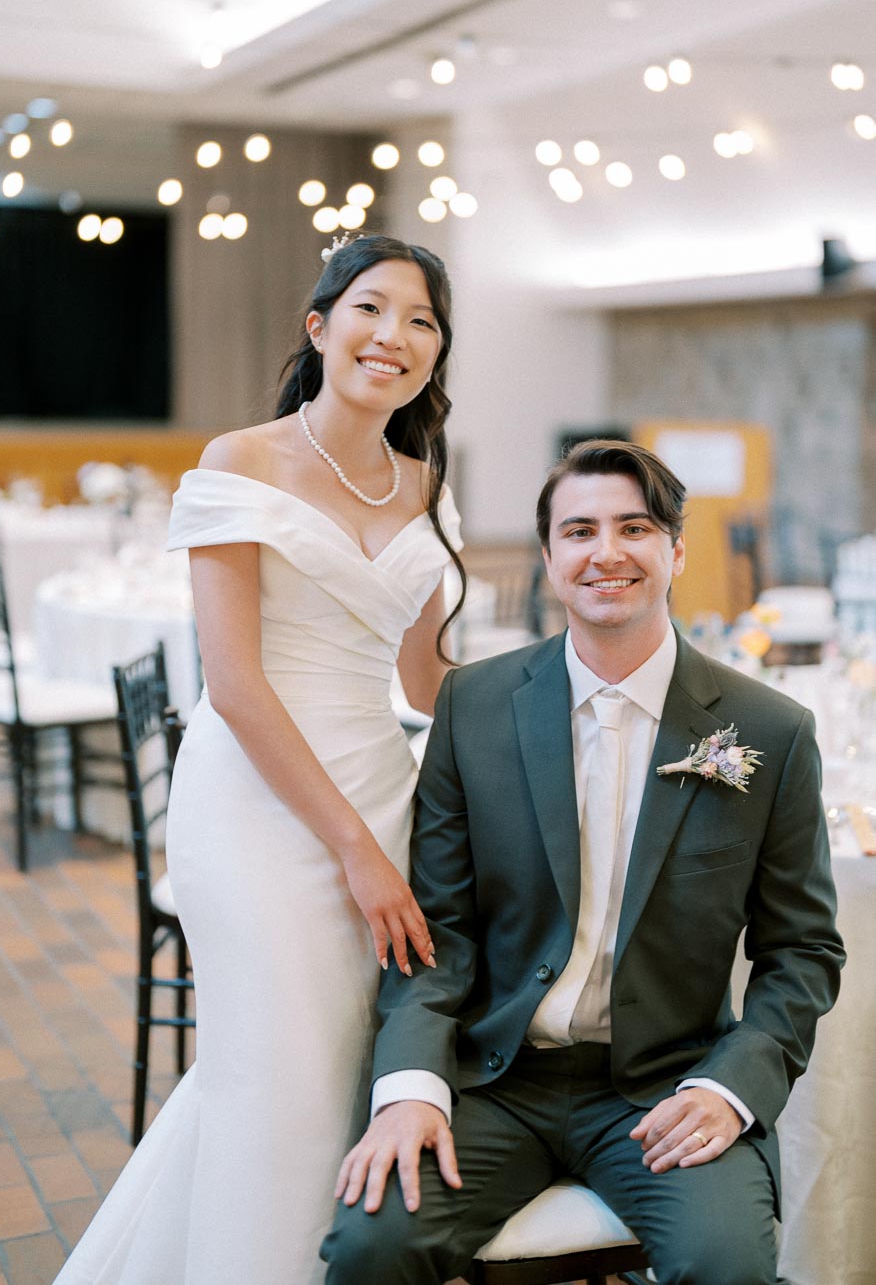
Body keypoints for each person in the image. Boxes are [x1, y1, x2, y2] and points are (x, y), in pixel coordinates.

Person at [322, 438, 845, 1285]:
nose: (607, 552)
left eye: (634, 528)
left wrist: (729, 1088)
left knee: (728, 1268)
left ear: (675, 551)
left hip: (670, 1088)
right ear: (550, 557)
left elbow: (803, 953)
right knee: (371, 1247)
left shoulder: (769, 732)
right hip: (496, 1078)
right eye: (579, 531)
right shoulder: (473, 707)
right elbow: (439, 932)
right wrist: (412, 1086)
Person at [54, 232, 466, 1285]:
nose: (396, 336)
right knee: (276, 1074)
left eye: (423, 321)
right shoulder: (240, 459)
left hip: (382, 791)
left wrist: (566, 708)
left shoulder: (427, 485)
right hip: (252, 808)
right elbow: (233, 686)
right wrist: (354, 852)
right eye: (374, 308)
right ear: (321, 326)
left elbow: (428, 685)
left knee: (335, 1073)